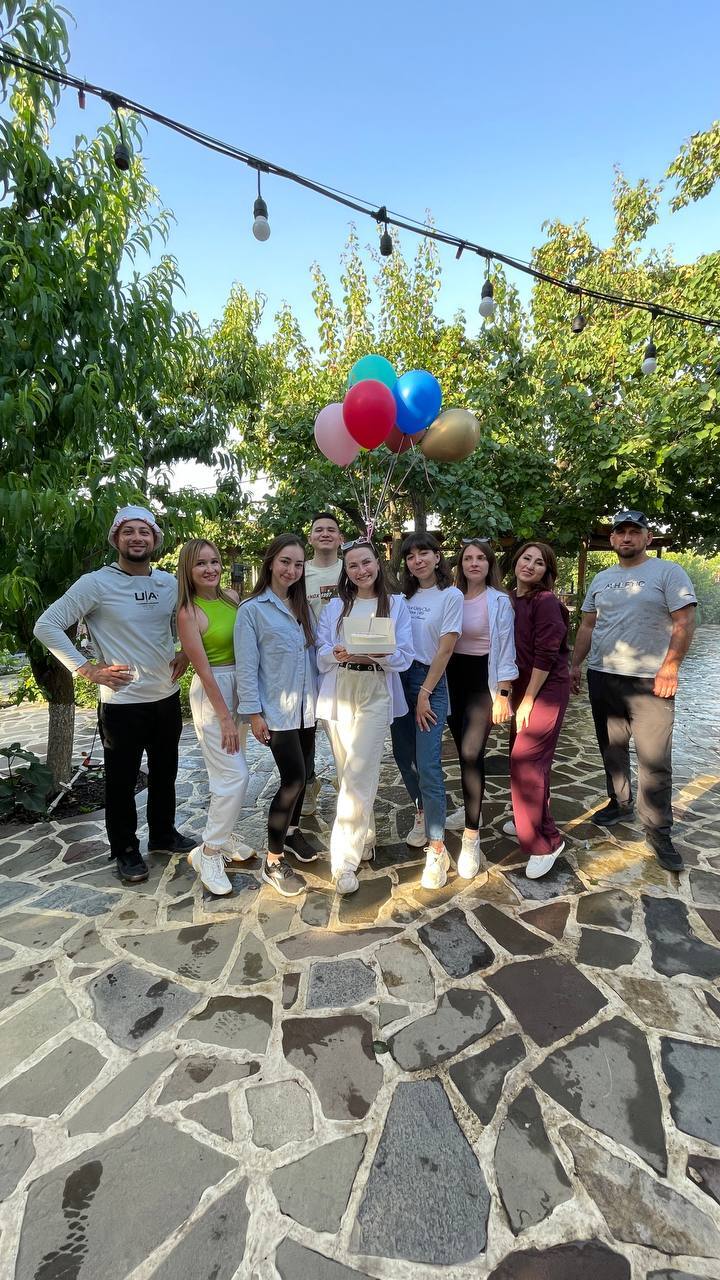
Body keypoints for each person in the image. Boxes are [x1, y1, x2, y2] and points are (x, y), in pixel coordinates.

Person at [34, 505, 193, 885]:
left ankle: (163, 834)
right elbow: (47, 625)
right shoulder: (95, 583)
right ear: (116, 539)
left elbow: (192, 621)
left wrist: (186, 652)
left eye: (144, 532)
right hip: (122, 704)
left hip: (165, 697)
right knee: (121, 784)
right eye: (129, 532)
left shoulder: (168, 584)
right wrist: (86, 669)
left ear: (155, 539)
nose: (137, 538)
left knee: (165, 774)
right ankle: (125, 849)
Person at [570, 509, 697, 872]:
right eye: (620, 532)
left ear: (647, 537)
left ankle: (658, 830)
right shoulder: (602, 578)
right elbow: (588, 625)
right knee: (611, 748)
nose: (627, 538)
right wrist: (575, 664)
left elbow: (685, 620)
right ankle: (620, 803)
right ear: (612, 539)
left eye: (634, 532)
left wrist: (670, 666)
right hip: (603, 675)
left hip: (649, 681)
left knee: (654, 759)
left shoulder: (668, 572)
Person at [316, 539, 413, 894]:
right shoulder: (336, 606)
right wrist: (336, 652)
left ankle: (344, 860)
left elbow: (405, 656)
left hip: (375, 689)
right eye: (353, 565)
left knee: (360, 771)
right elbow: (320, 652)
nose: (361, 570)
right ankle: (366, 835)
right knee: (347, 773)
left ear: (377, 563)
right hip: (341, 688)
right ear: (346, 571)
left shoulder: (396, 604)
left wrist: (380, 654)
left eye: (366, 562)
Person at [235, 534, 318, 897]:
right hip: (277, 713)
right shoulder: (252, 610)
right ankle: (273, 861)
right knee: (293, 780)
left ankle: (292, 832)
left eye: (298, 564)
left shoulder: (303, 607)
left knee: (306, 776)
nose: (291, 570)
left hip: (306, 710)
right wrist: (254, 714)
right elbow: (246, 667)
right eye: (285, 562)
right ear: (270, 563)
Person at [176, 540, 255, 897]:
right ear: (188, 570)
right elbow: (204, 670)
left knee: (232, 771)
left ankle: (225, 837)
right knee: (234, 775)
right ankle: (208, 852)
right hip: (214, 694)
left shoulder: (232, 598)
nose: (210, 569)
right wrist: (224, 717)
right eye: (200, 564)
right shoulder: (188, 613)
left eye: (214, 561)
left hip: (240, 686)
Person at [391, 533, 463, 890]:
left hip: (429, 681)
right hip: (397, 678)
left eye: (424, 554)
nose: (417, 561)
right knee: (404, 757)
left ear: (437, 557)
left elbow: (446, 649)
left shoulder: (451, 596)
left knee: (429, 764)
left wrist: (424, 693)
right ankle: (421, 812)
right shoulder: (400, 598)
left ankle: (437, 849)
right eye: (410, 556)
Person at [446, 538, 518, 879]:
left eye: (480, 558)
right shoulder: (450, 596)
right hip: (450, 681)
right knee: (462, 754)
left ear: (490, 564)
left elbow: (507, 648)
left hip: (482, 683)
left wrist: (503, 693)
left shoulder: (499, 601)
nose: (473, 563)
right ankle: (469, 808)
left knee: (472, 753)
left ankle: (471, 836)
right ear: (460, 564)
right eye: (467, 558)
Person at [508, 541, 570, 879]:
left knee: (527, 761)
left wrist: (529, 699)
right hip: (521, 689)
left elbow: (547, 654)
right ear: (516, 561)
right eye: (526, 558)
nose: (530, 565)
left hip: (545, 690)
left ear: (547, 571)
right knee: (525, 759)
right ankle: (527, 820)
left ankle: (545, 843)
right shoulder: (510, 599)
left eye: (539, 562)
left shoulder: (544, 601)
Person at [302, 511, 344, 816]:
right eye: (319, 530)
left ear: (341, 538)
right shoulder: (300, 572)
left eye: (331, 529)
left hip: (341, 660)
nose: (325, 534)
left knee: (340, 727)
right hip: (306, 658)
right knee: (305, 726)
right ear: (310, 538)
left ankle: (346, 780)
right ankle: (308, 784)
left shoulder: (350, 569)